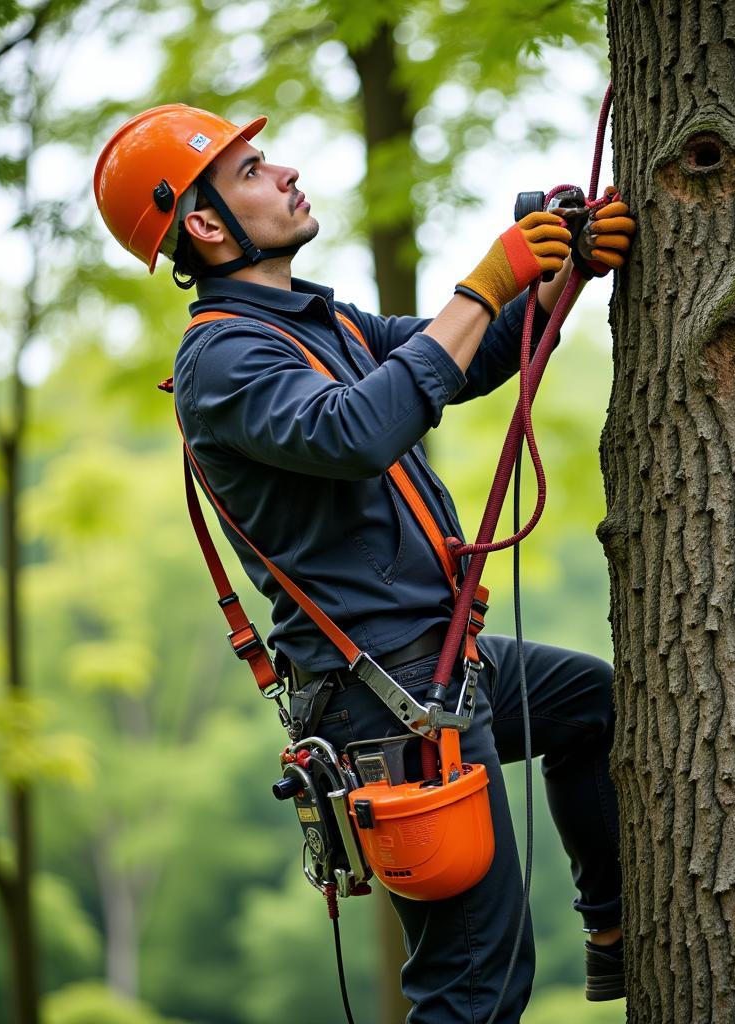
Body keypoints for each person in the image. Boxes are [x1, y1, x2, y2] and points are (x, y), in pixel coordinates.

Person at [94, 104, 636, 1022]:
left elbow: (457, 362)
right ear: (204, 223)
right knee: (474, 983)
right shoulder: (224, 357)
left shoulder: (321, 322)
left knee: (590, 704)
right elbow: (358, 431)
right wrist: (483, 281)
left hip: (437, 665)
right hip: (382, 698)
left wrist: (552, 274)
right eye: (255, 170)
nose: (286, 174)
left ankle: (616, 931)